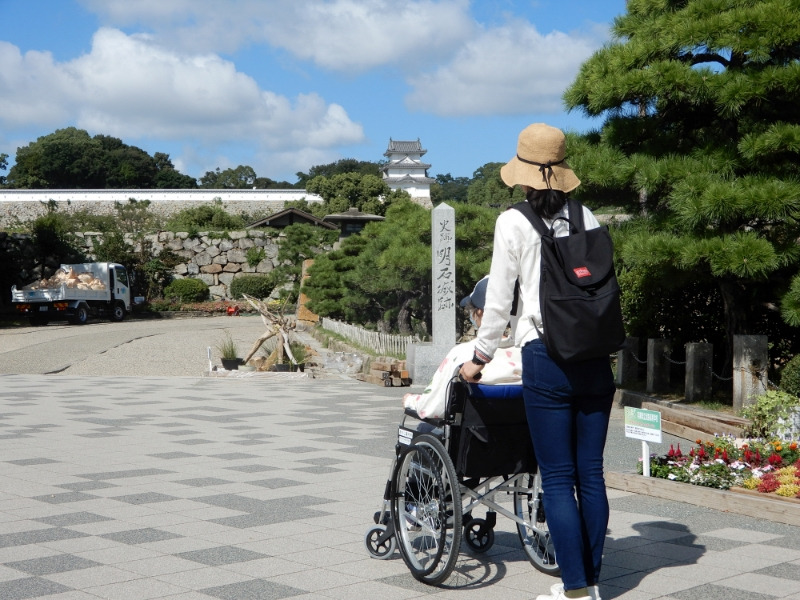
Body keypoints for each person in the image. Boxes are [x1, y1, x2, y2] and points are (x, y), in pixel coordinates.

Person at [459, 124, 615, 600]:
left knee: (558, 476)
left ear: (524, 173)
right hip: (595, 356)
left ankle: (575, 589)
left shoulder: (513, 222)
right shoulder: (585, 215)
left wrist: (479, 358)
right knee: (591, 473)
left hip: (546, 356)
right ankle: (589, 576)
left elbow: (500, 303)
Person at [403, 276, 522, 420]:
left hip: (475, 435)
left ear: (478, 312)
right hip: (524, 435)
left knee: (424, 427)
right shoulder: (528, 353)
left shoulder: (463, 354)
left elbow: (432, 407)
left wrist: (410, 400)